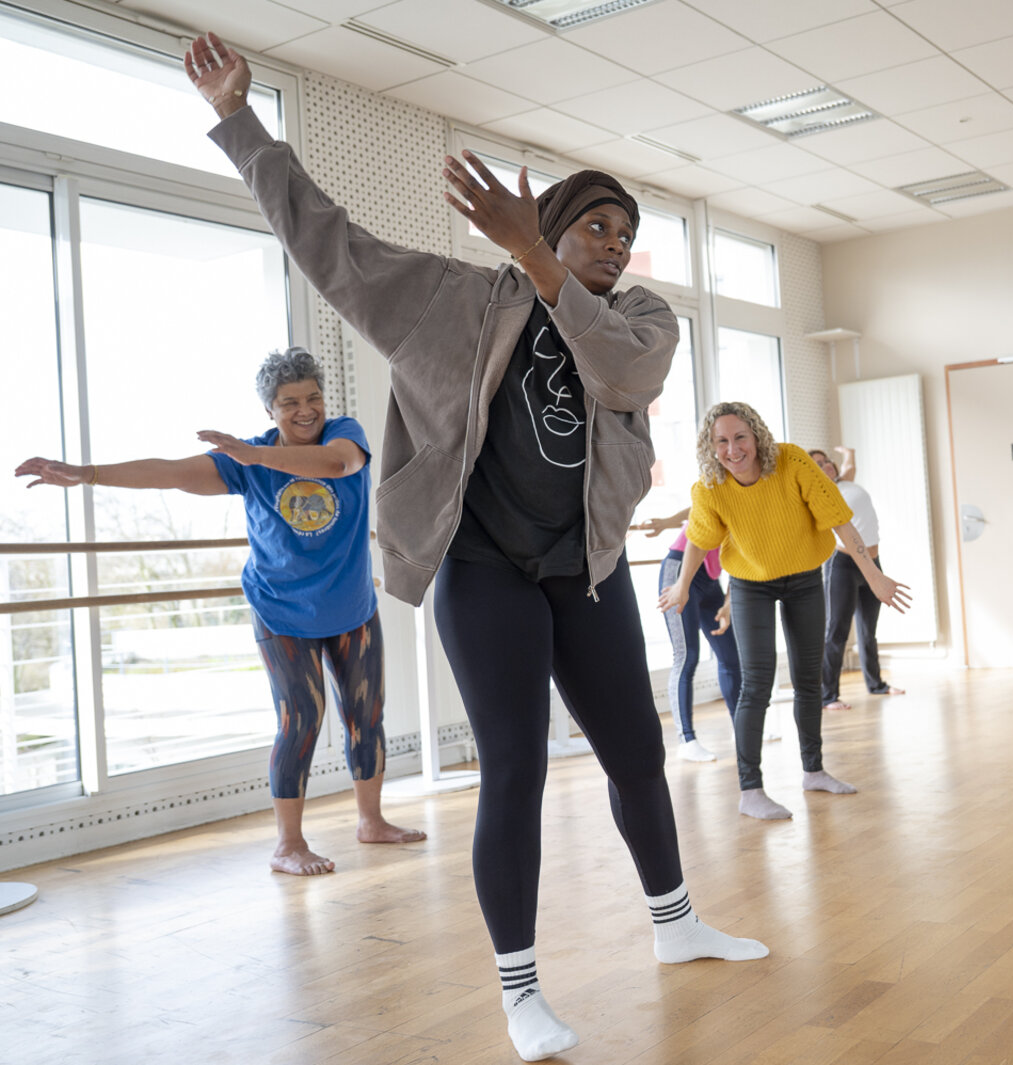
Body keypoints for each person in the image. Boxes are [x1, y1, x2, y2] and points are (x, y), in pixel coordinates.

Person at [183, 33, 765, 1063]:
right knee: (516, 768)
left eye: (626, 232)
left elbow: (623, 379)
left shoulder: (640, 316)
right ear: (548, 225)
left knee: (636, 753)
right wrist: (239, 121)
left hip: (584, 570)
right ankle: (520, 991)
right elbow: (325, 241)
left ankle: (676, 925)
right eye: (595, 225)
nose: (615, 243)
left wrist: (544, 264)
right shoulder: (450, 301)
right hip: (484, 570)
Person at [15, 348, 423, 877]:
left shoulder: (343, 434)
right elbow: (170, 473)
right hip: (281, 611)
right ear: (270, 411)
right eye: (290, 403)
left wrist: (254, 458)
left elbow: (337, 464)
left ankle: (372, 821)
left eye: (313, 397)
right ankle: (288, 845)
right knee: (300, 720)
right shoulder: (245, 459)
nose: (306, 410)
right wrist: (88, 474)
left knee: (365, 717)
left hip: (351, 608)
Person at [658, 403, 910, 820]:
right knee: (756, 684)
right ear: (711, 446)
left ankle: (813, 771)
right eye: (722, 441)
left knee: (808, 679)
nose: (733, 449)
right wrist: (682, 585)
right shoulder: (709, 487)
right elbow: (699, 538)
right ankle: (751, 790)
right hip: (750, 584)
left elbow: (839, 520)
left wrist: (874, 576)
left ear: (756, 435)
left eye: (740, 437)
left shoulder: (792, 462)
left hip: (804, 579)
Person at [634, 508, 741, 761]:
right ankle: (687, 740)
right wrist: (666, 521)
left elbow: (741, 563)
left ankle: (742, 728)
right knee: (687, 656)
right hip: (680, 571)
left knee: (731, 657)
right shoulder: (724, 492)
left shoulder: (754, 511)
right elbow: (696, 508)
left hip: (710, 580)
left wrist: (728, 604)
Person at [807, 447, 904, 710]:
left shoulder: (845, 482)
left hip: (871, 564)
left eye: (827, 461)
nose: (827, 465)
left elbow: (849, 465)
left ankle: (876, 685)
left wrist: (848, 452)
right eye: (818, 464)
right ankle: (828, 695)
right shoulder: (821, 493)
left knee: (868, 630)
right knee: (837, 631)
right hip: (843, 565)